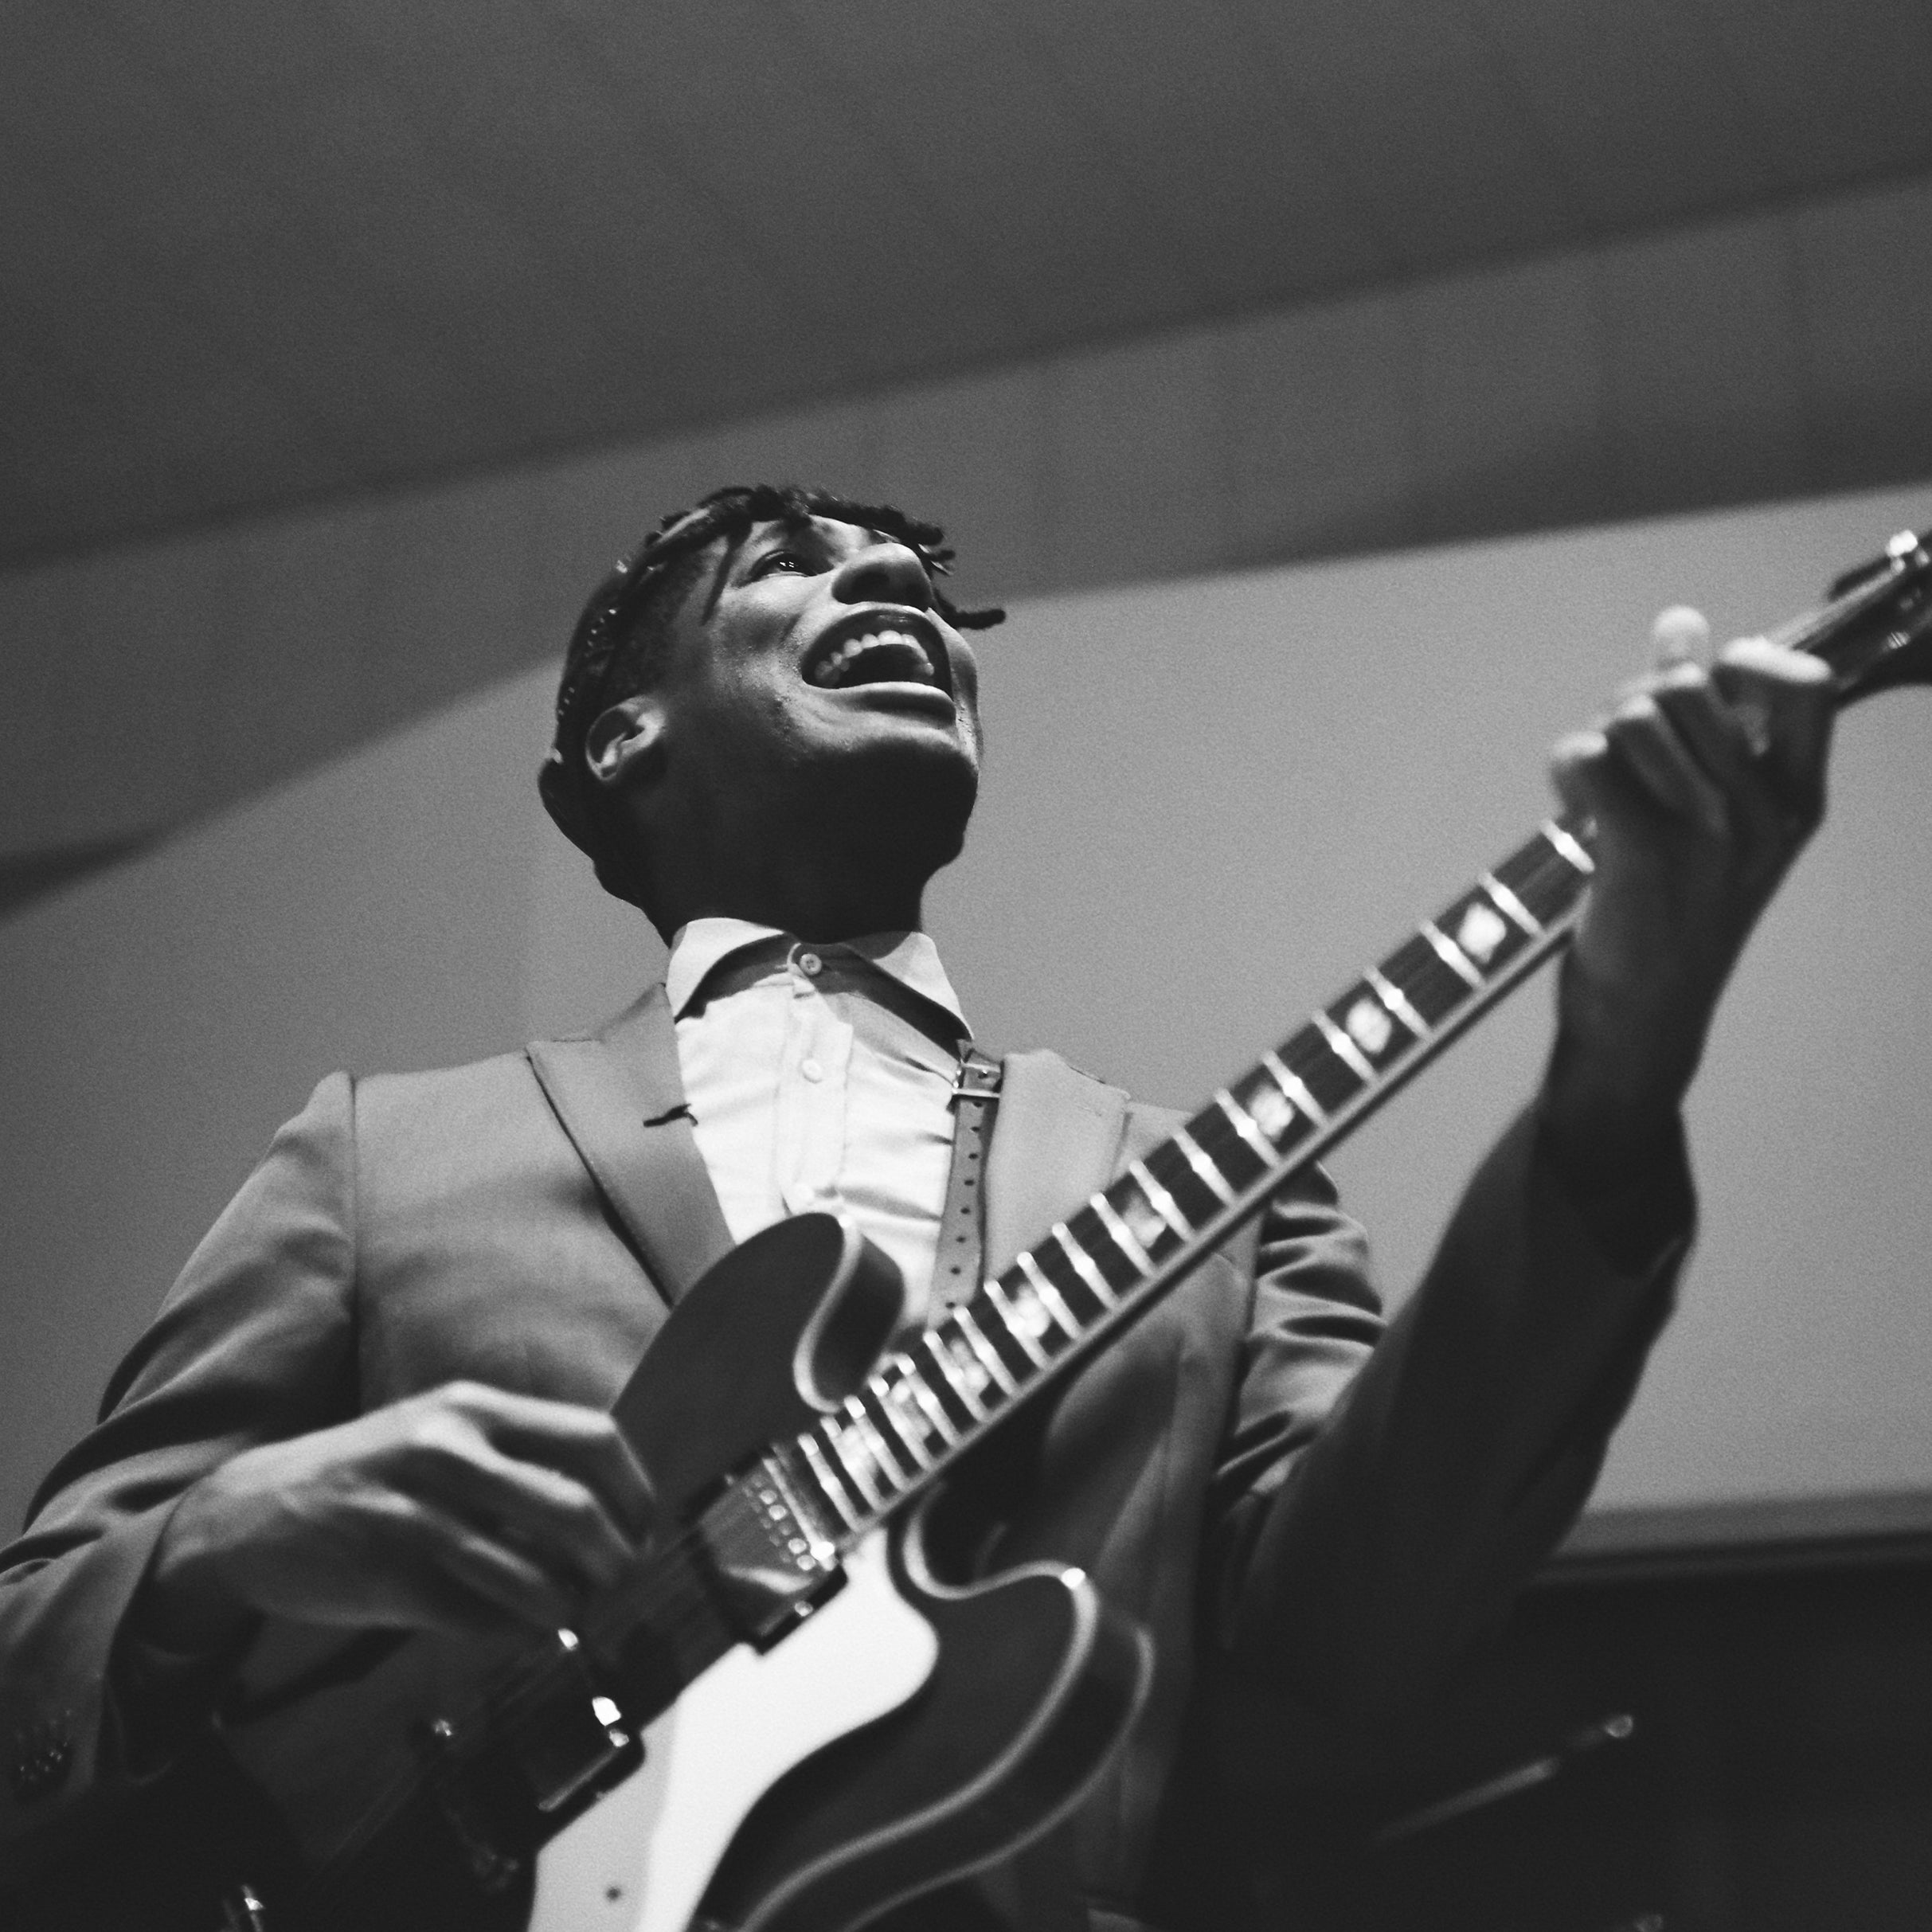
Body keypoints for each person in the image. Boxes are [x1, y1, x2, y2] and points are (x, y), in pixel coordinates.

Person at [0, 483, 1835, 1930]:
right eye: (790, 570)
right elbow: (39, 1647)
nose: (890, 590)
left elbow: (1353, 1643)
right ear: (619, 743)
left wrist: (1618, 1066)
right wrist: (223, 1537)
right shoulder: (379, 1154)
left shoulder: (1205, 1193)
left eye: (924, 596)